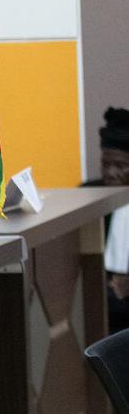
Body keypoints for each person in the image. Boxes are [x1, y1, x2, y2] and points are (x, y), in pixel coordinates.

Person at [97, 107, 129, 333]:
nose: (111, 173)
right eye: (106, 164)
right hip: (102, 302)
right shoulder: (90, 198)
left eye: (120, 166)